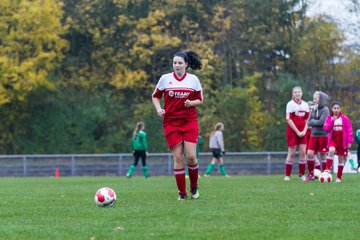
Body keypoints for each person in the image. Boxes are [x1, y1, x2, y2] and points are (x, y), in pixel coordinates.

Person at [152, 50, 203, 200]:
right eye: (175, 63)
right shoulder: (165, 79)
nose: (177, 65)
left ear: (186, 64)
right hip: (171, 122)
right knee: (178, 157)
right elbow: (155, 96)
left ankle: (194, 188)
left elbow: (200, 100)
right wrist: (159, 109)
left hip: (189, 121)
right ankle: (182, 193)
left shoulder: (193, 79)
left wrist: (190, 103)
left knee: (192, 157)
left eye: (180, 63)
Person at [323, 101, 354, 182]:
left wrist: (349, 141)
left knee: (341, 158)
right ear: (332, 109)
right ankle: (328, 169)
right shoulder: (329, 118)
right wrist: (332, 121)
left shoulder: (345, 119)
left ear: (340, 109)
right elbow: (326, 129)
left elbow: (349, 130)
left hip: (342, 140)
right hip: (333, 139)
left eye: (338, 108)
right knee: (331, 150)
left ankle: (338, 177)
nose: (336, 110)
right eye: (334, 108)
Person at [284, 86, 309, 181]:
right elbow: (288, 119)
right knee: (292, 153)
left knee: (303, 152)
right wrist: (297, 132)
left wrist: (304, 131)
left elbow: (307, 119)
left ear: (302, 93)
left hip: (303, 131)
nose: (297, 93)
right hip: (292, 131)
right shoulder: (290, 104)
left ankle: (301, 175)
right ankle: (287, 175)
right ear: (293, 95)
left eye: (299, 92)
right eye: (295, 92)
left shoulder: (305, 105)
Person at [305, 91, 330, 181]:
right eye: (314, 97)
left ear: (321, 99)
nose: (314, 99)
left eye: (316, 97)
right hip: (313, 135)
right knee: (309, 154)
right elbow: (308, 122)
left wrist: (313, 122)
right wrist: (314, 122)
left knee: (323, 155)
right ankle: (311, 174)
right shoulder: (313, 109)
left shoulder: (325, 110)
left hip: (323, 135)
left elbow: (321, 122)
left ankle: (325, 173)